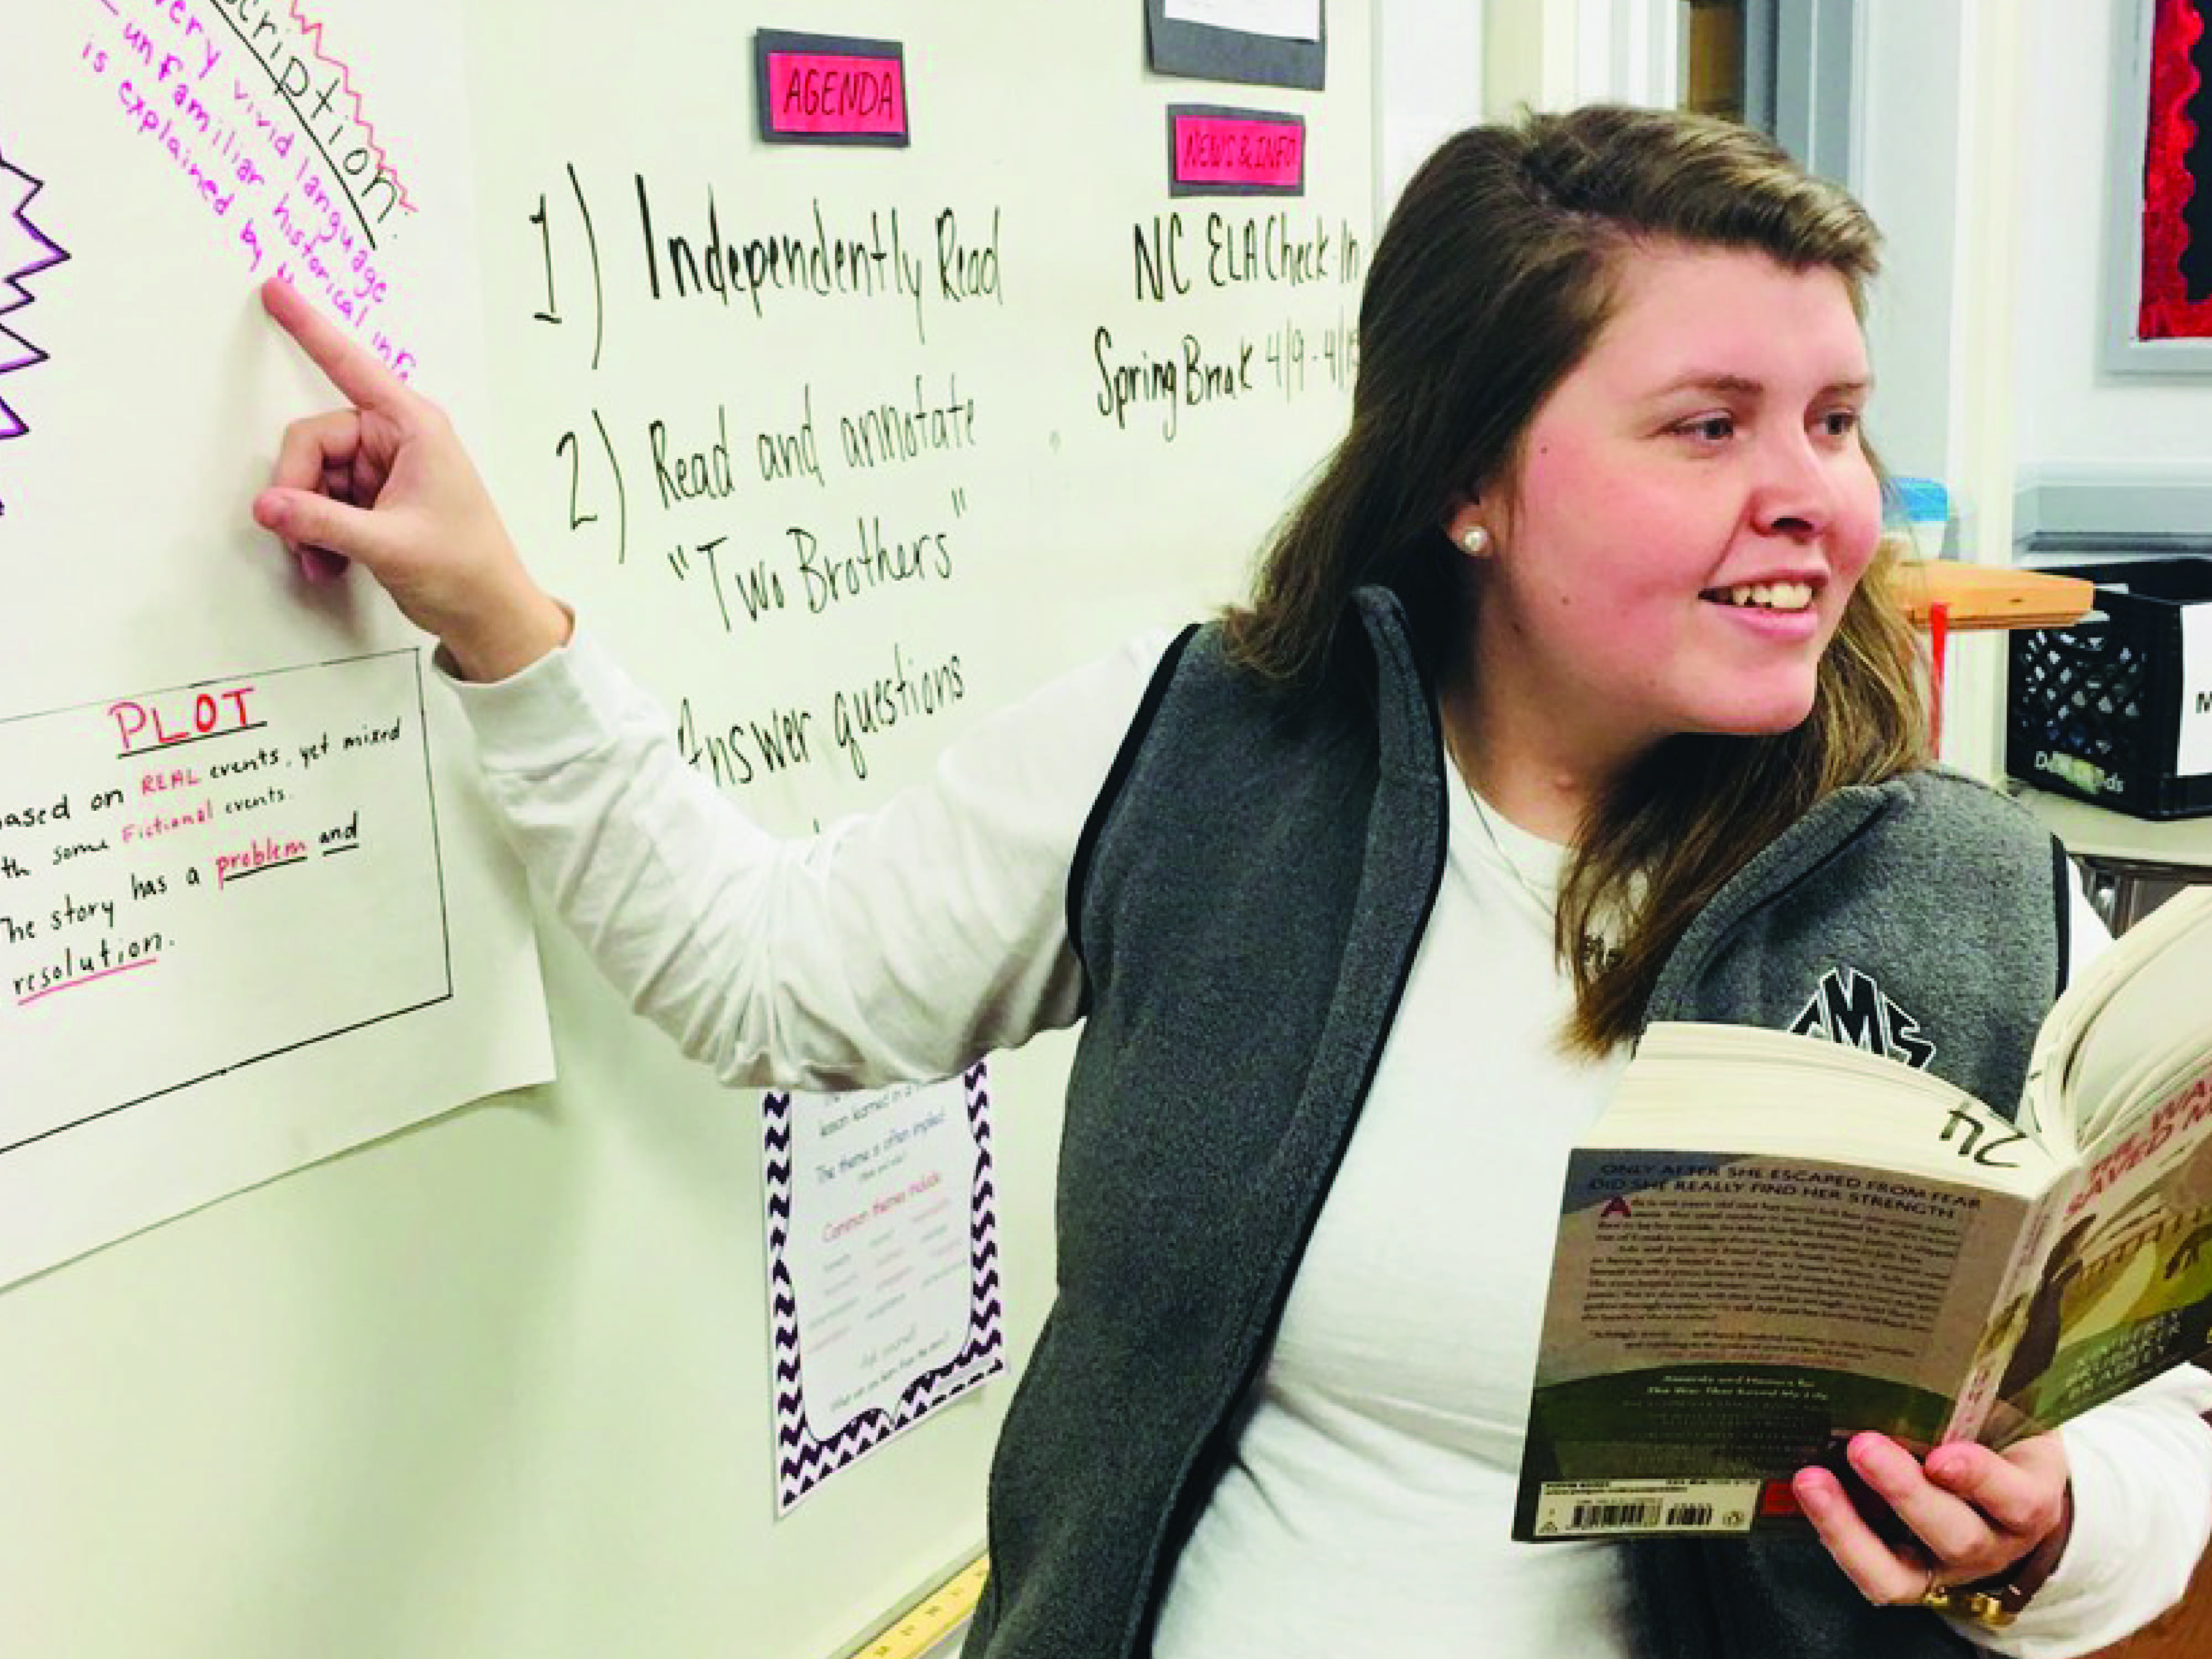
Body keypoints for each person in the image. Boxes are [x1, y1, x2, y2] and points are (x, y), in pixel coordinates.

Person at [251, 106, 2212, 1658]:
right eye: (1709, 427)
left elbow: (2155, 1419)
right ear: (1470, 480)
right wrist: (496, 614)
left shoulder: (1961, 892)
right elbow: (772, 979)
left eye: (1839, 424)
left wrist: (2056, 1529)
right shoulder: (1203, 748)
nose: (1820, 500)